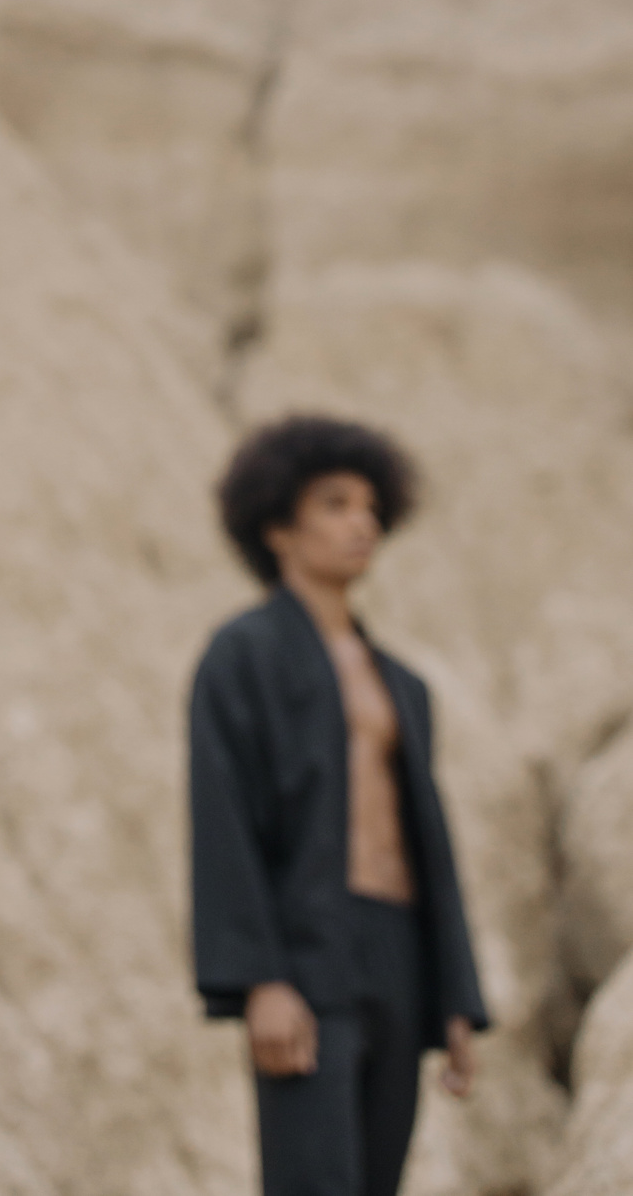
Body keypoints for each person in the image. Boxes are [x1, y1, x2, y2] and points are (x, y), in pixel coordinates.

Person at [189, 415, 487, 1196]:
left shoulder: (403, 682)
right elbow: (222, 819)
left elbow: (430, 840)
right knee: (314, 1181)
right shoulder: (240, 655)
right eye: (335, 503)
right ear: (276, 527)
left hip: (400, 951)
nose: (363, 522)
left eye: (369, 506)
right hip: (305, 950)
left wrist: (453, 994)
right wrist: (259, 979)